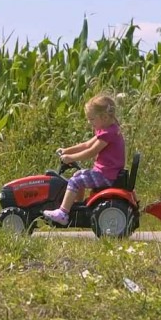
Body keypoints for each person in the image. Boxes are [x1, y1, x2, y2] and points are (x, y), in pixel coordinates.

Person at [43, 94, 126, 225]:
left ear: (104, 117)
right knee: (77, 175)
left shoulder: (108, 134)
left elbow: (91, 151)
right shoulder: (109, 129)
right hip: (106, 172)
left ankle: (63, 213)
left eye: (92, 119)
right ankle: (76, 206)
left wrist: (70, 158)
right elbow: (87, 144)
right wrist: (67, 150)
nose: (89, 122)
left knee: (75, 181)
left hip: (106, 175)